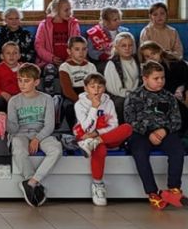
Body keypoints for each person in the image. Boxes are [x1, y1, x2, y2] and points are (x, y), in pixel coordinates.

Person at [125, 61, 185, 209]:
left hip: (165, 132)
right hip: (141, 134)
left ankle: (174, 188)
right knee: (140, 153)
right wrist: (148, 133)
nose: (160, 81)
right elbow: (130, 120)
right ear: (145, 79)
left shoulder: (169, 97)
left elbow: (176, 120)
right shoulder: (134, 96)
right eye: (156, 78)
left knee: (178, 150)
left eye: (162, 78)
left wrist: (164, 130)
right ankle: (152, 192)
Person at [72, 72, 132, 207]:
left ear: (104, 88)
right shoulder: (79, 104)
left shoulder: (108, 102)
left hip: (104, 137)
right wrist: (94, 107)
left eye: (100, 87)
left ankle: (96, 142)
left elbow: (114, 125)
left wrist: (97, 135)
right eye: (92, 87)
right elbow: (86, 128)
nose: (96, 90)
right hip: (86, 137)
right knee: (100, 149)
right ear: (85, 88)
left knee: (127, 128)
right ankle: (98, 185)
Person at [7, 63, 59, 208]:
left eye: (26, 81)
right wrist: (4, 121)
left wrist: (37, 139)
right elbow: (13, 129)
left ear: (36, 82)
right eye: (20, 80)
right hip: (21, 133)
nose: (22, 84)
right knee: (18, 147)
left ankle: (32, 182)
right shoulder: (14, 101)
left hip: (42, 133)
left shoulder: (46, 98)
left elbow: (49, 125)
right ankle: (31, 181)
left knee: (56, 149)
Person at [34, 0, 80, 93]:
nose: (69, 12)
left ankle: (70, 98)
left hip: (69, 61)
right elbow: (39, 46)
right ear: (56, 10)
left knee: (74, 71)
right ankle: (50, 97)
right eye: (66, 10)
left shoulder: (73, 24)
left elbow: (77, 44)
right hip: (49, 62)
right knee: (49, 70)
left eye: (70, 9)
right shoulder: (44, 25)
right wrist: (52, 58)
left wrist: (69, 59)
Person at [140, 41, 188, 132]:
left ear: (160, 52)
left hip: (179, 92)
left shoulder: (175, 63)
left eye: (153, 53)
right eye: (147, 56)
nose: (151, 58)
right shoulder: (147, 70)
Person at [58, 36, 96, 129]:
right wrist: (80, 102)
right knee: (69, 107)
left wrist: (91, 99)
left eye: (84, 49)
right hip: (72, 96)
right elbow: (67, 90)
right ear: (69, 51)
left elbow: (95, 85)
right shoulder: (65, 67)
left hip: (88, 94)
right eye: (77, 49)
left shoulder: (91, 66)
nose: (81, 52)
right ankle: (75, 130)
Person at [104, 32, 139, 121]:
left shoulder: (137, 60)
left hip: (138, 94)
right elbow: (115, 90)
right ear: (116, 47)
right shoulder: (112, 64)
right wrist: (131, 95)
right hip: (120, 96)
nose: (127, 48)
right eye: (123, 46)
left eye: (130, 45)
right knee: (121, 103)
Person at [0, 41, 22, 113]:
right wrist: (3, 93)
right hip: (4, 99)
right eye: (8, 53)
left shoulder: (24, 69)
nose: (11, 56)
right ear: (2, 56)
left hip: (20, 99)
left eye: (15, 53)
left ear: (19, 56)